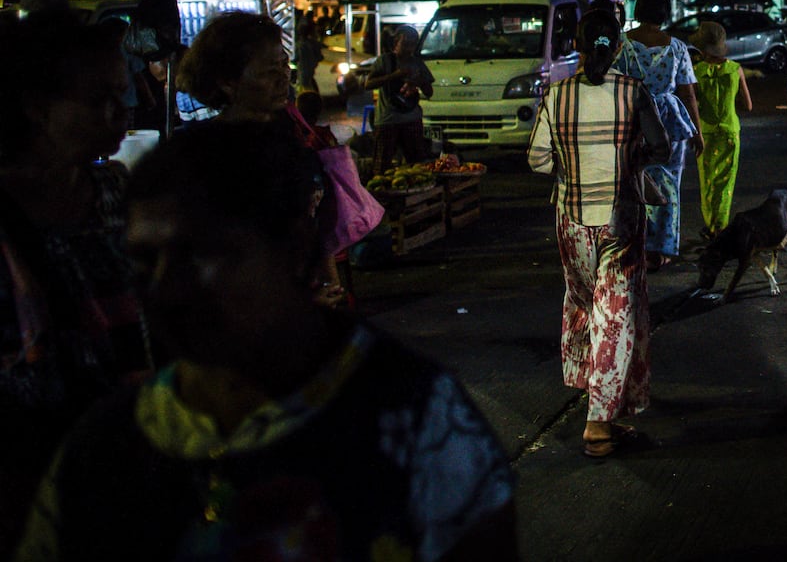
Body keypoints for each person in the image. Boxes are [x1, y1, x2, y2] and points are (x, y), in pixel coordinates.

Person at [14, 121, 518, 560]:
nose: (166, 288)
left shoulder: (415, 419)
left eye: (203, 254)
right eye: (145, 260)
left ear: (295, 246)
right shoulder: (107, 448)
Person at [0, 8, 152, 557]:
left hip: (120, 447)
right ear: (36, 107)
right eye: (100, 99)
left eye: (124, 93)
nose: (120, 112)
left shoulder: (115, 190)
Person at [527, 8, 668, 458]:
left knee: (585, 303)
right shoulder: (634, 92)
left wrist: (572, 170)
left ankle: (593, 389)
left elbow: (536, 160)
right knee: (617, 313)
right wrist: (628, 160)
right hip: (619, 219)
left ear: (578, 45)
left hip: (570, 221)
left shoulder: (556, 94)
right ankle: (599, 422)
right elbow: (661, 147)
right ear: (619, 45)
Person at [175, 11, 347, 308]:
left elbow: (305, 225)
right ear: (228, 81)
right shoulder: (208, 153)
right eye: (269, 71)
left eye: (284, 66)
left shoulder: (284, 139)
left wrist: (326, 282)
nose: (283, 79)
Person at [611, 0, 703, 270]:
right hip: (670, 123)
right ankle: (661, 249)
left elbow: (613, 86)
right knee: (669, 186)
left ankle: (635, 243)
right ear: (664, 10)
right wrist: (698, 132)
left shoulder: (623, 45)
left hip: (634, 120)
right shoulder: (676, 47)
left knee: (635, 184)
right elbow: (688, 94)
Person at [690, 21, 752, 239]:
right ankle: (721, 226)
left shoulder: (696, 72)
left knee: (707, 181)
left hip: (706, 133)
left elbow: (693, 104)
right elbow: (748, 105)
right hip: (729, 132)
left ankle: (710, 225)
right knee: (726, 182)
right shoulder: (735, 69)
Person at [364, 24, 435, 173]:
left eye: (412, 44)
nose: (409, 48)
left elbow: (429, 92)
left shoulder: (417, 63)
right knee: (382, 166)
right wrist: (394, 76)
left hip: (412, 120)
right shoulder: (385, 60)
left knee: (417, 165)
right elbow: (368, 84)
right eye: (406, 43)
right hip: (387, 121)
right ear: (396, 41)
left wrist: (419, 82)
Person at [295, 17, 324, 95]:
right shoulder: (313, 43)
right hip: (310, 70)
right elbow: (320, 57)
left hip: (304, 71)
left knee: (305, 88)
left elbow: (295, 58)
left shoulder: (301, 45)